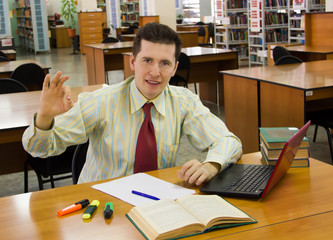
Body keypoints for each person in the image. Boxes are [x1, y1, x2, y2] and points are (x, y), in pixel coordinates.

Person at [22, 23, 242, 185]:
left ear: (175, 68)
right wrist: (45, 117)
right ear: (132, 61)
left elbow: (229, 142)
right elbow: (39, 148)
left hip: (156, 200)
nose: (155, 73)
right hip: (101, 203)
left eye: (165, 63)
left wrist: (211, 165)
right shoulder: (101, 102)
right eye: (147, 60)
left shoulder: (183, 102)